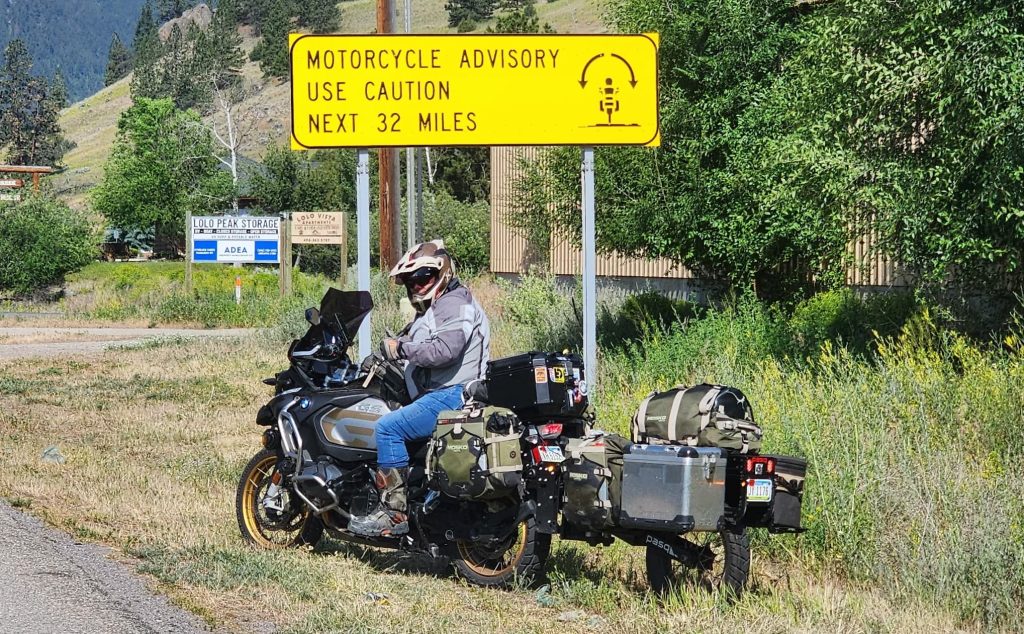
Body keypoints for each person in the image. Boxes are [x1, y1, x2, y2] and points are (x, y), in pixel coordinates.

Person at [348, 239, 490, 537]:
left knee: (388, 428)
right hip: (444, 393)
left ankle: (393, 513)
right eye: (411, 279)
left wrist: (400, 349)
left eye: (423, 276)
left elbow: (445, 350)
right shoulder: (437, 307)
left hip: (451, 395)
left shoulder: (455, 303)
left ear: (443, 273)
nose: (416, 284)